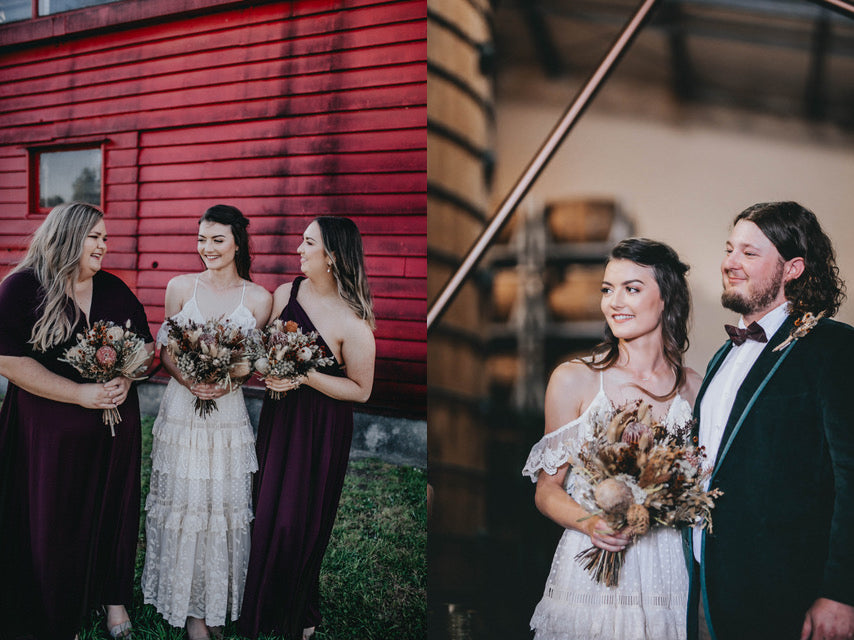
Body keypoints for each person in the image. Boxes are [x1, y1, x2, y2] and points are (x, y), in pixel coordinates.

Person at [688, 202, 854, 640]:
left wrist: (841, 592)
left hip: (786, 595)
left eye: (749, 252)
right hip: (705, 588)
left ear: (792, 268)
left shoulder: (834, 347)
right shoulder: (722, 356)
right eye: (729, 249)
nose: (730, 263)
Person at [523, 238, 701, 640]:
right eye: (607, 289)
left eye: (631, 289)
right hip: (594, 565)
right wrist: (594, 523)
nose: (614, 302)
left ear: (666, 298)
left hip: (667, 568)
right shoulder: (575, 380)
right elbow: (546, 491)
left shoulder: (694, 388)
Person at [0, 202, 154, 640]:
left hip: (114, 432)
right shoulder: (22, 288)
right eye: (96, 237)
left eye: (106, 238)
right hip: (47, 434)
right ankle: (54, 601)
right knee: (56, 515)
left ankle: (113, 599)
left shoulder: (113, 288)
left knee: (114, 509)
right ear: (68, 236)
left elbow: (143, 346)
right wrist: (78, 394)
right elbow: (7, 361)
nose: (104, 246)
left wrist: (126, 375)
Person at [237, 216, 376, 640]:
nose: (299, 249)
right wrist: (267, 369)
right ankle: (257, 603)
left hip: (320, 428)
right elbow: (262, 347)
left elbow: (361, 390)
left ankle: (299, 608)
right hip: (280, 417)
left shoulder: (355, 322)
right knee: (264, 509)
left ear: (331, 257)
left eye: (308, 242)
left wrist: (302, 375)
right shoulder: (287, 293)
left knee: (298, 520)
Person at [140, 205, 272, 640]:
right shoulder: (180, 287)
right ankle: (191, 610)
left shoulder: (258, 298)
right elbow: (167, 350)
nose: (207, 248)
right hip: (182, 409)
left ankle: (216, 602)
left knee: (223, 505)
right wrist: (190, 380)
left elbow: (252, 360)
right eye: (202, 239)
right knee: (185, 500)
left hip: (227, 413)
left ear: (237, 242)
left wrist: (226, 382)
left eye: (217, 239)